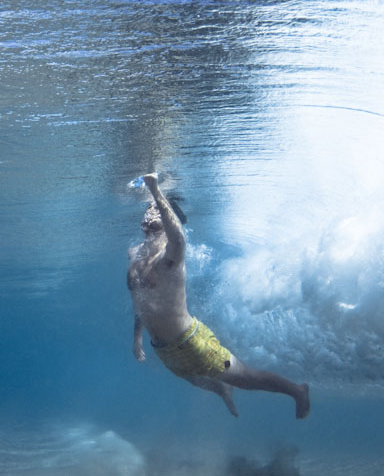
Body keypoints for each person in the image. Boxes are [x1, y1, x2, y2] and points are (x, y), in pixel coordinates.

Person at [127, 173, 310, 419]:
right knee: (193, 379)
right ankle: (222, 389)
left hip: (192, 343)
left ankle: (297, 391)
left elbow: (177, 234)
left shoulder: (172, 253)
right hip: (163, 348)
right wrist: (137, 337)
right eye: (147, 209)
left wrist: (156, 190)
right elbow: (141, 300)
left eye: (155, 210)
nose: (148, 213)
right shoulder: (136, 254)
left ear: (167, 216)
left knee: (247, 378)